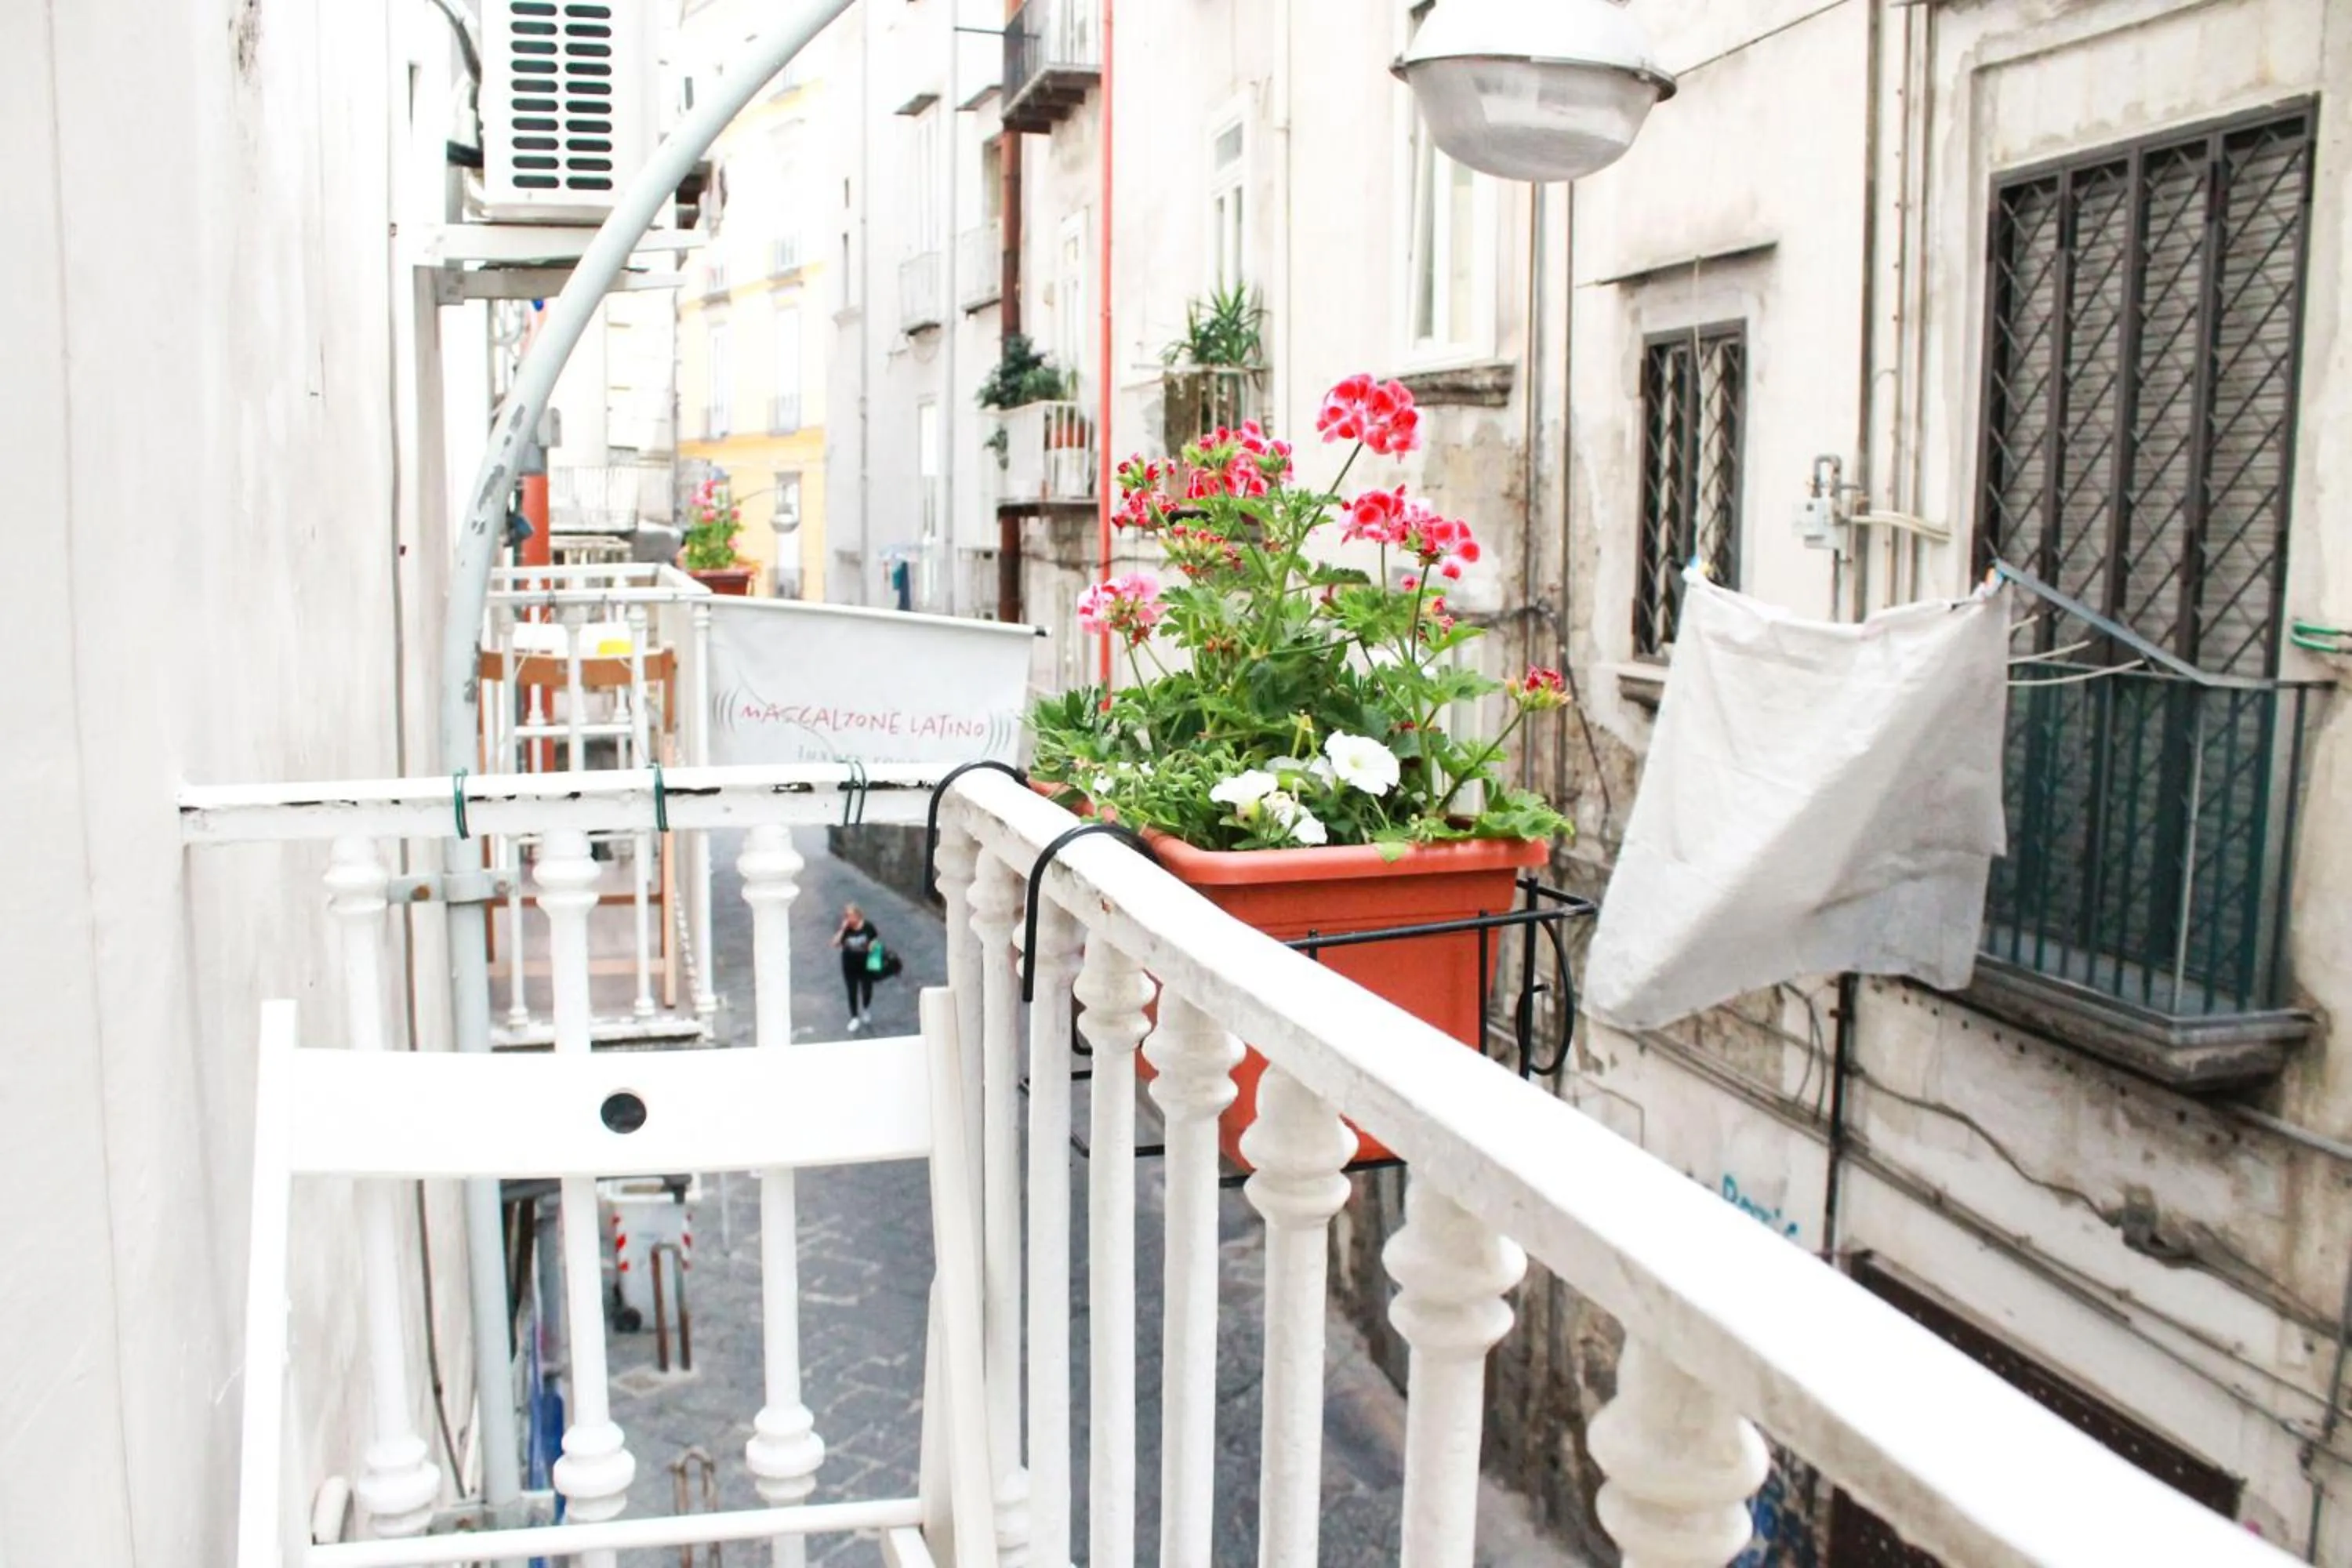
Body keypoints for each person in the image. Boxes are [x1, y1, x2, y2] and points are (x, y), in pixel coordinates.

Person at [830, 902, 882, 1031]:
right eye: (847, 916)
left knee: (867, 989)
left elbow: (875, 938)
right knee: (852, 991)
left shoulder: (868, 926)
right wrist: (842, 929)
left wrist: (873, 944)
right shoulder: (846, 930)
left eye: (851, 916)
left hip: (866, 964)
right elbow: (835, 943)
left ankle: (866, 1008)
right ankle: (854, 1017)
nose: (849, 919)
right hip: (849, 965)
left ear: (858, 916)